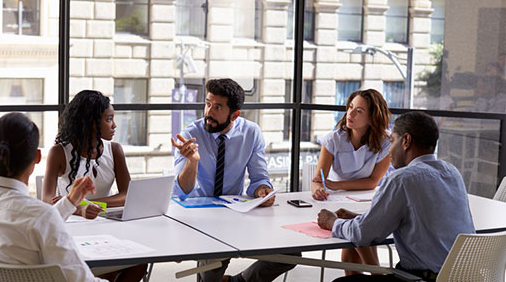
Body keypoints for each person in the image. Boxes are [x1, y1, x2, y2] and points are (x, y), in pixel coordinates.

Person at [317, 111, 476, 282]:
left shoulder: (402, 179)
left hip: (422, 278)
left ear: (406, 141)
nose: (389, 150)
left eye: (392, 141)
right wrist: (364, 218)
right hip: (464, 276)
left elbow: (363, 234)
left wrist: (332, 222)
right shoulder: (452, 172)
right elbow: (426, 221)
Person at [0, 112, 106, 282]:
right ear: (37, 157)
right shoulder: (40, 216)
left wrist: (69, 202)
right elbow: (82, 280)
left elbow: (35, 223)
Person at [171, 78, 295, 282]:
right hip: (198, 216)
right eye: (208, 103)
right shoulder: (190, 135)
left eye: (218, 107)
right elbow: (182, 191)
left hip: (234, 212)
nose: (209, 112)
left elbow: (259, 179)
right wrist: (192, 162)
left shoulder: (251, 132)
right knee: (211, 271)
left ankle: (240, 281)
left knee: (289, 255)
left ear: (235, 114)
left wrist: (262, 190)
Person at [43, 90, 146, 282]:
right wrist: (79, 209)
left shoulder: (114, 150)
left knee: (140, 263)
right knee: (101, 268)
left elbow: (128, 195)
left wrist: (90, 204)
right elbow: (47, 202)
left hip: (106, 224)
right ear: (90, 122)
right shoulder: (59, 152)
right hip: (72, 228)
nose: (114, 125)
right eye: (109, 119)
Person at [311, 89, 392, 275]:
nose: (350, 113)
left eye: (359, 111)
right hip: (339, 201)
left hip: (368, 200)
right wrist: (317, 189)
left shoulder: (386, 142)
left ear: (372, 118)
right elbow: (318, 180)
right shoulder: (333, 140)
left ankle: (376, 275)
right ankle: (376, 274)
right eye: (350, 107)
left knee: (355, 229)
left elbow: (372, 182)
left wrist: (335, 185)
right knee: (354, 233)